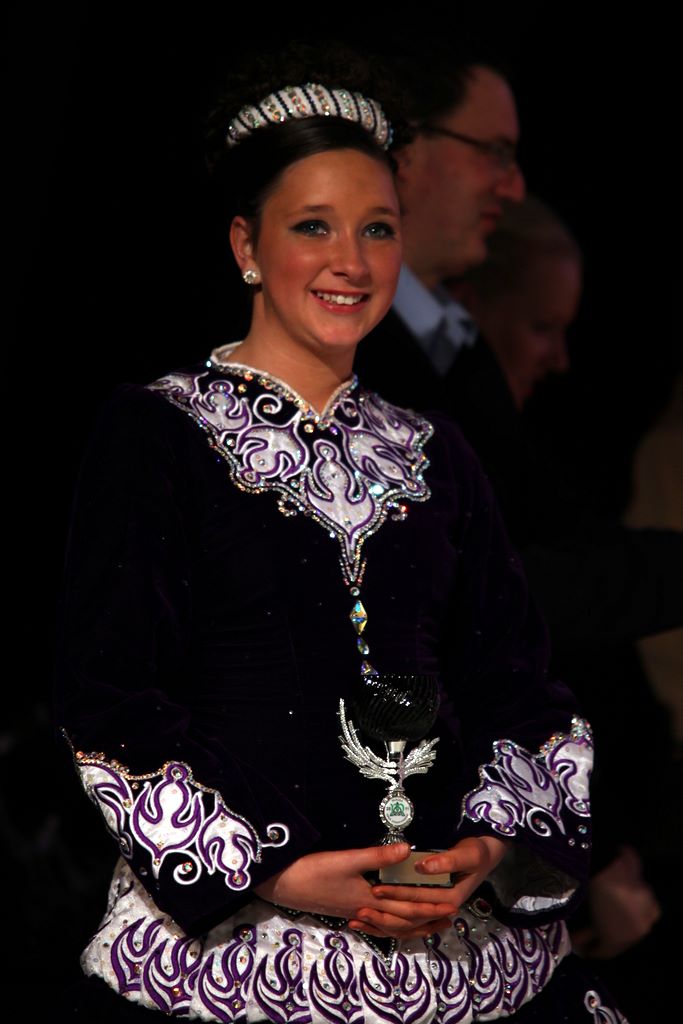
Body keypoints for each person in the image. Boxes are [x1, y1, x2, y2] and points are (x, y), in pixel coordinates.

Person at [55, 53, 624, 1022]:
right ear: (246, 243)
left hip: (466, 953)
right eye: (312, 226)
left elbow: (517, 683)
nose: (350, 262)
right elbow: (110, 700)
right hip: (238, 953)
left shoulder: (436, 451)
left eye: (378, 229)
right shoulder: (156, 434)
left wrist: (485, 850)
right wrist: (277, 870)